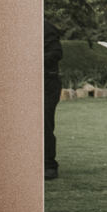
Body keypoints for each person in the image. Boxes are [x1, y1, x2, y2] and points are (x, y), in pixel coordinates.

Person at [44, 18, 63, 181]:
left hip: (47, 83)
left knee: (44, 122)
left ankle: (49, 165)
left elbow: (57, 53)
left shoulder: (47, 28)